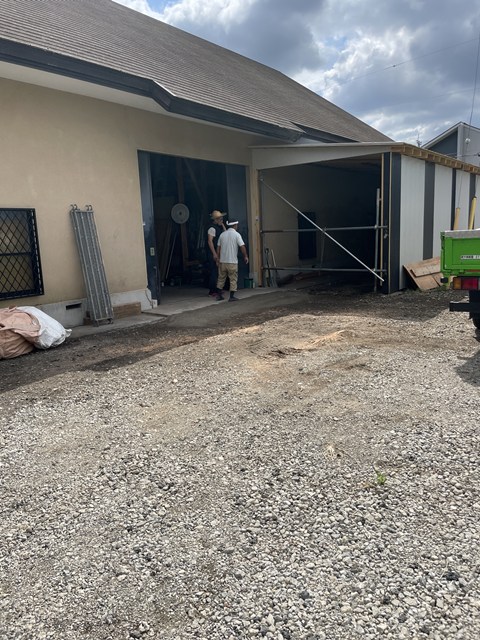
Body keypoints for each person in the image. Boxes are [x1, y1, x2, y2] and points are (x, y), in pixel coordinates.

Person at [215, 220, 249, 302]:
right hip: (232, 262)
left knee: (221, 278)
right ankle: (231, 297)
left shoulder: (222, 235)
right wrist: (245, 256)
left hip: (223, 261)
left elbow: (218, 247)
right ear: (235, 225)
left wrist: (218, 258)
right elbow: (242, 246)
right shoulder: (237, 235)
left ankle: (219, 295)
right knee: (233, 279)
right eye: (237, 225)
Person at [206, 210, 226, 296]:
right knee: (214, 271)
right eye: (220, 219)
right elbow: (210, 241)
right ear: (216, 219)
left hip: (218, 251)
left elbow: (225, 233)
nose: (221, 220)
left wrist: (222, 225)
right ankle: (212, 290)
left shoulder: (218, 227)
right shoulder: (212, 228)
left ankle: (218, 289)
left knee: (218, 271)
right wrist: (214, 254)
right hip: (213, 252)